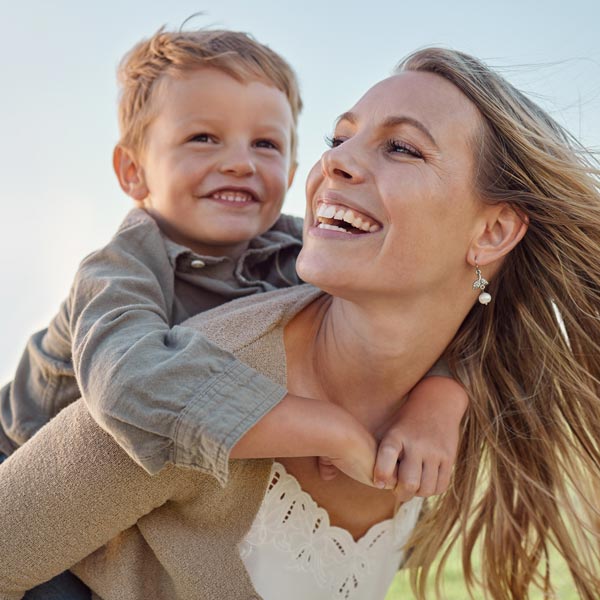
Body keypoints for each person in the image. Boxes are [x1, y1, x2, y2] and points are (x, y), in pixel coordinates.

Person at [3, 46, 596, 600]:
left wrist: (442, 396)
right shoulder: (129, 278)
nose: (333, 160)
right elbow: (128, 382)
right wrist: (327, 429)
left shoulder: (296, 256)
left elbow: (463, 322)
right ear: (133, 171)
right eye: (337, 138)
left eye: (403, 148)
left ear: (492, 232)